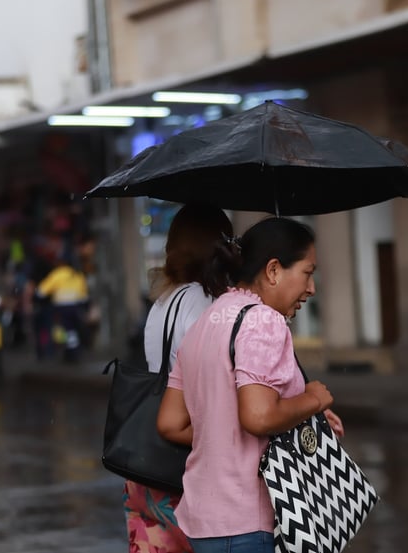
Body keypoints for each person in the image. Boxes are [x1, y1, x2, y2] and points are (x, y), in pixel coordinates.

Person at [157, 217, 345, 553]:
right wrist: (314, 400)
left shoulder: (206, 321)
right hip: (248, 521)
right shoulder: (263, 320)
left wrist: (295, 415)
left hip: (204, 522)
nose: (311, 288)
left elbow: (171, 423)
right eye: (307, 272)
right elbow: (257, 418)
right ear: (274, 270)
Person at [123, 202, 235, 553]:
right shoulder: (206, 302)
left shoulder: (163, 302)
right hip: (188, 460)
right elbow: (211, 385)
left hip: (149, 468)